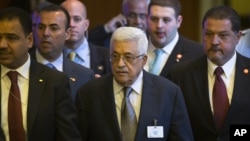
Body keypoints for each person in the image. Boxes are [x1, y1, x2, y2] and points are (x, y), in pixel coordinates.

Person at [75, 27, 193, 141]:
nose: (120, 64)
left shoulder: (168, 93)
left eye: (128, 57)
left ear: (144, 60)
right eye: (115, 56)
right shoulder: (88, 94)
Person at [167, 5, 250, 141]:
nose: (214, 41)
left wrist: (236, 134)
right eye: (209, 34)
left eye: (223, 35)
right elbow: (172, 126)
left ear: (238, 37)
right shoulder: (180, 75)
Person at [0, 7, 81, 141]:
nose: (2, 45)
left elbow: (68, 136)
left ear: (30, 40)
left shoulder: (55, 82)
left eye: (11, 38)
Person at [30, 4, 94, 101]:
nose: (46, 33)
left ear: (67, 33)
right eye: (41, 27)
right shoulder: (20, 68)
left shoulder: (84, 76)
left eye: (54, 28)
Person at [145, 0, 203, 77]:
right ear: (146, 19)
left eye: (166, 20)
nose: (159, 25)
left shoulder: (197, 54)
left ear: (178, 21)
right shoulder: (136, 48)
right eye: (154, 19)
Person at [61, 0, 111, 78]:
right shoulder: (50, 55)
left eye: (77, 19)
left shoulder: (107, 57)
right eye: (67, 20)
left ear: (86, 25)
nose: (71, 24)